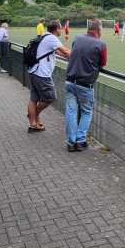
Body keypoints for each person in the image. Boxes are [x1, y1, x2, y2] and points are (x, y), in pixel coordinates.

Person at [65, 18, 107, 152]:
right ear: (99, 30)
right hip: (85, 84)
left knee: (71, 112)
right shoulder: (101, 44)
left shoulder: (77, 38)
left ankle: (71, 142)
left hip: (70, 81)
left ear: (87, 29)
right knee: (86, 112)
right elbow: (102, 64)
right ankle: (80, 141)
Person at [27, 20, 71, 133]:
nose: (61, 29)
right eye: (60, 28)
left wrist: (70, 57)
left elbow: (58, 53)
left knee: (34, 98)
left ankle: (33, 123)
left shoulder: (44, 36)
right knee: (51, 97)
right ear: (57, 29)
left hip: (33, 71)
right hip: (42, 74)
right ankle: (35, 114)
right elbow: (65, 50)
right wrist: (79, 57)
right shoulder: (52, 38)